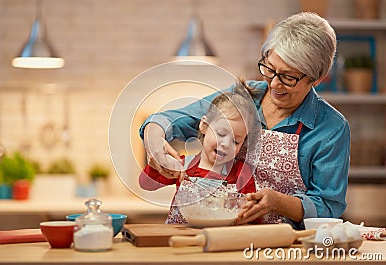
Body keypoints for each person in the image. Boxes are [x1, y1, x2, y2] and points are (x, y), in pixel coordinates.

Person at [139, 12, 350, 229]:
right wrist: (154, 138)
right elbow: (169, 120)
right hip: (220, 236)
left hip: (282, 244)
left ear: (316, 78)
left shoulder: (332, 128)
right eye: (270, 69)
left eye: (288, 77)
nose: (275, 84)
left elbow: (327, 206)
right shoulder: (243, 97)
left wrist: (278, 203)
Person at [139, 86, 257, 224]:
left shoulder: (241, 173)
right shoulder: (184, 165)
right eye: (221, 133)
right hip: (178, 238)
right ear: (204, 126)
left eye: (236, 141)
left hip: (218, 240)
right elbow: (145, 183)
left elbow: (252, 213)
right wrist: (161, 164)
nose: (226, 144)